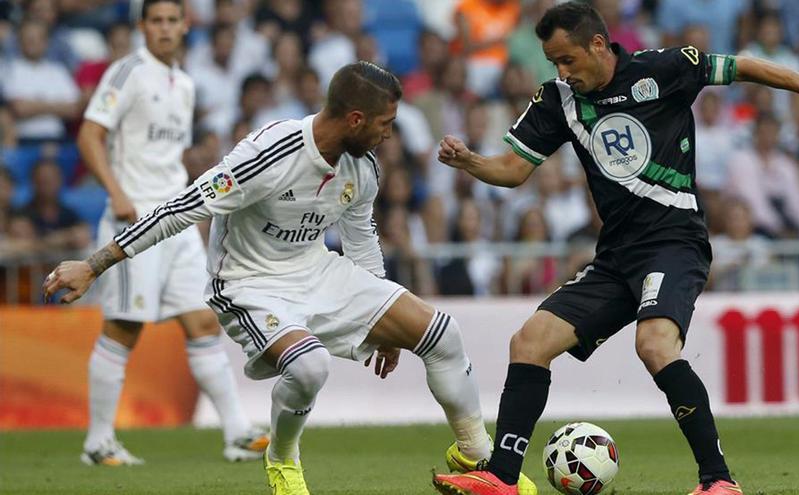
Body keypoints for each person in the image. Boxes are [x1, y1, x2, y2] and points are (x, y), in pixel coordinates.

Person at [44, 61, 536, 495]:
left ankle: (477, 456)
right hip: (248, 281)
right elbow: (181, 208)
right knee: (309, 368)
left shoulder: (362, 167)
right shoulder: (267, 154)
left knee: (441, 333)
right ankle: (281, 457)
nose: (391, 134)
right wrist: (95, 263)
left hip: (316, 268)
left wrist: (383, 320)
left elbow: (361, 237)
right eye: (385, 124)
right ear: (356, 119)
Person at [431, 3, 799, 495]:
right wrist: (469, 162)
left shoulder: (665, 68)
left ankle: (718, 481)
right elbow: (513, 170)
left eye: (567, 60)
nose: (562, 72)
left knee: (653, 344)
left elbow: (744, 66)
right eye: (553, 63)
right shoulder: (559, 100)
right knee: (529, 343)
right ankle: (501, 478)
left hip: (675, 243)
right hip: (616, 258)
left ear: (597, 45)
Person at [74, 0, 267, 466]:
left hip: (174, 219)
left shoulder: (184, 83)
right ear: (143, 27)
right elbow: (89, 135)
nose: (163, 29)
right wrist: (117, 192)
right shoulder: (126, 73)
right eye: (155, 21)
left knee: (202, 322)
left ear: (185, 27)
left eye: (171, 21)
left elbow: (167, 154)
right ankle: (98, 442)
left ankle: (237, 431)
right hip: (130, 220)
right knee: (123, 327)